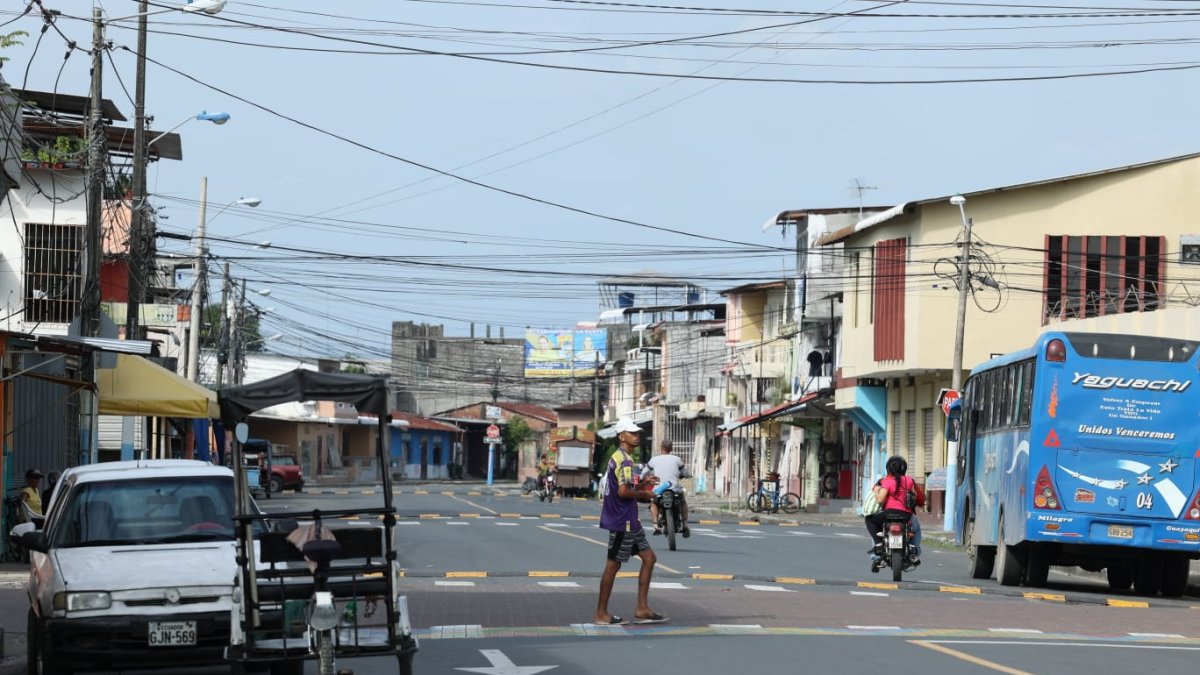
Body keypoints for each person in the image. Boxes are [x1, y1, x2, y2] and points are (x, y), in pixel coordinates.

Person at [593, 417, 668, 626]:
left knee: (649, 558)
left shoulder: (620, 457)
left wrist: (643, 483)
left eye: (637, 433)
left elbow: (624, 485)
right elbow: (623, 491)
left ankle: (642, 608)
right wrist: (646, 494)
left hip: (629, 521)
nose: (637, 436)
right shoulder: (624, 460)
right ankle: (601, 613)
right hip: (622, 521)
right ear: (621, 436)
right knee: (612, 566)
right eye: (632, 433)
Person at [864, 456, 923, 567]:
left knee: (869, 520)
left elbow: (880, 499)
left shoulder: (886, 481)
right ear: (904, 468)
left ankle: (878, 544)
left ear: (888, 469)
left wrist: (877, 491)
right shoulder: (909, 480)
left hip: (888, 514)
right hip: (906, 515)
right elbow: (916, 497)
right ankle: (915, 552)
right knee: (916, 528)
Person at [641, 439, 690, 538]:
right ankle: (685, 524)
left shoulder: (654, 460)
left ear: (661, 448)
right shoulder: (677, 459)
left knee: (654, 503)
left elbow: (644, 473)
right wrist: (688, 475)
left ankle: (655, 525)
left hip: (659, 489)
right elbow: (685, 472)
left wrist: (642, 478)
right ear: (671, 449)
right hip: (674, 488)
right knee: (682, 501)